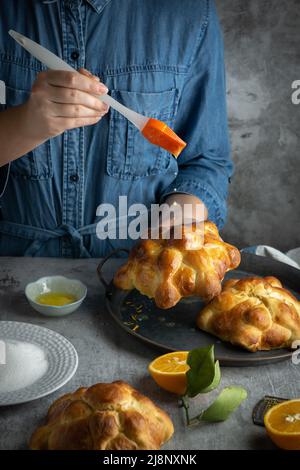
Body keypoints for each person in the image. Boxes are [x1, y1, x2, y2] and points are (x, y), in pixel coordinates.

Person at [0, 0, 232, 257]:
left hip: (134, 267)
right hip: (12, 270)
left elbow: (207, 161)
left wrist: (184, 207)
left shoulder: (190, 13)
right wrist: (22, 126)